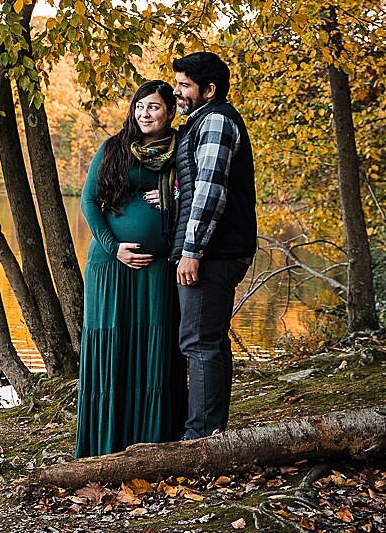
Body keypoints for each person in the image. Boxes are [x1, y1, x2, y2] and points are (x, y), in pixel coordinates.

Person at [76, 80, 187, 458]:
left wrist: (171, 194)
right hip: (111, 266)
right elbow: (90, 203)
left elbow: (191, 193)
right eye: (140, 107)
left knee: (154, 347)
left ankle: (154, 444)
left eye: (154, 107)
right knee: (114, 347)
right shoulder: (113, 149)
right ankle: (106, 446)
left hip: (158, 269)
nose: (145, 114)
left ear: (170, 112)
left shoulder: (180, 152)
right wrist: (115, 248)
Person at [170, 51, 257, 440]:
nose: (178, 92)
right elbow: (195, 186)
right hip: (217, 249)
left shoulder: (217, 121)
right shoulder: (202, 122)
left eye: (185, 85)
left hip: (213, 252)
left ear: (209, 90)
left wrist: (192, 252)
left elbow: (210, 192)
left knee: (199, 342)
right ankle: (211, 433)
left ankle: (201, 439)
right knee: (211, 343)